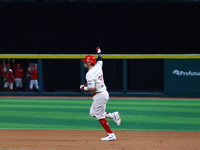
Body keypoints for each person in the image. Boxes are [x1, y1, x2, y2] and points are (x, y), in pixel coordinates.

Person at [80, 46, 121, 141]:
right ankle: (112, 115)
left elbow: (91, 88)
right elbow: (100, 60)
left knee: (99, 116)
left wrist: (83, 87)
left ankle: (111, 134)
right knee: (93, 113)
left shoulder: (89, 74)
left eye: (85, 62)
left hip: (100, 95)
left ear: (89, 63)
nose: (84, 63)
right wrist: (99, 53)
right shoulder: (98, 66)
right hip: (102, 93)